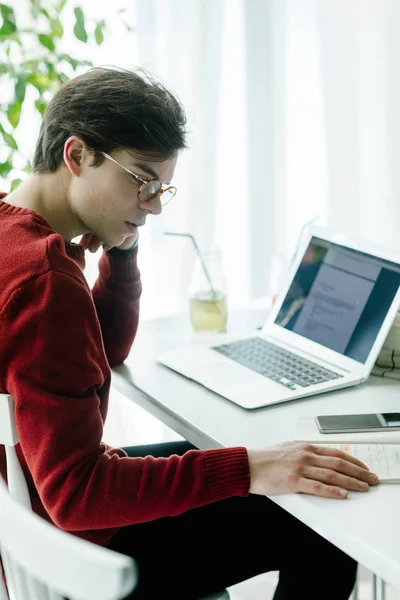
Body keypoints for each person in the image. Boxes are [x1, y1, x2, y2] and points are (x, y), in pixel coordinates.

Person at [0, 66, 378, 600]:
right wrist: (250, 468)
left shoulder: (11, 235)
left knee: (279, 463)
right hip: (85, 549)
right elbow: (77, 494)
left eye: (162, 188)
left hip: (34, 518)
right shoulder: (44, 280)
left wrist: (122, 252)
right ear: (77, 155)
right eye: (142, 180)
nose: (154, 204)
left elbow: (97, 354)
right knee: (322, 514)